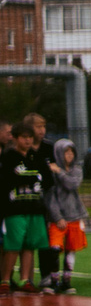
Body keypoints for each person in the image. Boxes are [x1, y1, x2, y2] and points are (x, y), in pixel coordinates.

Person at [1, 121, 43, 291]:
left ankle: (25, 280)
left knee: (29, 244)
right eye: (24, 137)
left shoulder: (35, 157)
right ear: (15, 138)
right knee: (13, 245)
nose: (27, 141)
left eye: (30, 137)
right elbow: (9, 179)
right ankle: (5, 280)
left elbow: (46, 177)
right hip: (14, 209)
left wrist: (29, 178)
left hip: (34, 206)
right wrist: (30, 178)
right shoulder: (8, 157)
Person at [43, 138, 87, 295]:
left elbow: (72, 184)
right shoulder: (50, 172)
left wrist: (60, 172)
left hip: (74, 215)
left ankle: (66, 281)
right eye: (65, 152)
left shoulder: (76, 170)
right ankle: (54, 281)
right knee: (54, 248)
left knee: (71, 249)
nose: (69, 155)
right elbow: (50, 197)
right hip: (58, 218)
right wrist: (57, 217)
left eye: (71, 152)